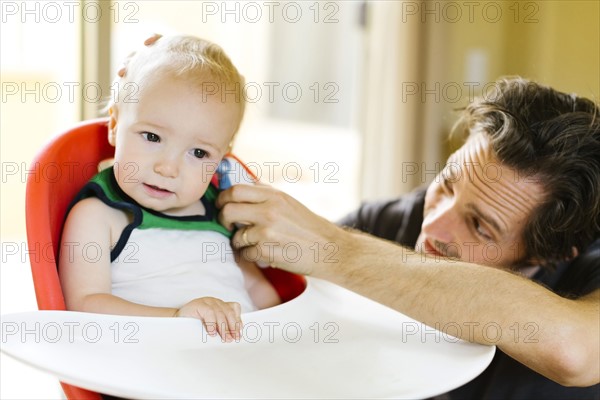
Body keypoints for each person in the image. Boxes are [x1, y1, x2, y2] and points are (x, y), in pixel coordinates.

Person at [217, 77, 600, 397]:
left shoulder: (588, 272)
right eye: (447, 186)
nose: (433, 226)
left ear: (549, 254)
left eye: (480, 226)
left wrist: (335, 251)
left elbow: (576, 351)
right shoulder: (384, 224)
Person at [58, 35, 280, 343]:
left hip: (239, 363)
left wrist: (283, 327)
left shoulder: (219, 210)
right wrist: (176, 318)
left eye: (199, 153)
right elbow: (84, 306)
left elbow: (257, 289)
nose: (168, 168)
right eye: (151, 137)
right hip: (151, 369)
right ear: (114, 124)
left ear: (221, 158)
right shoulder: (100, 215)